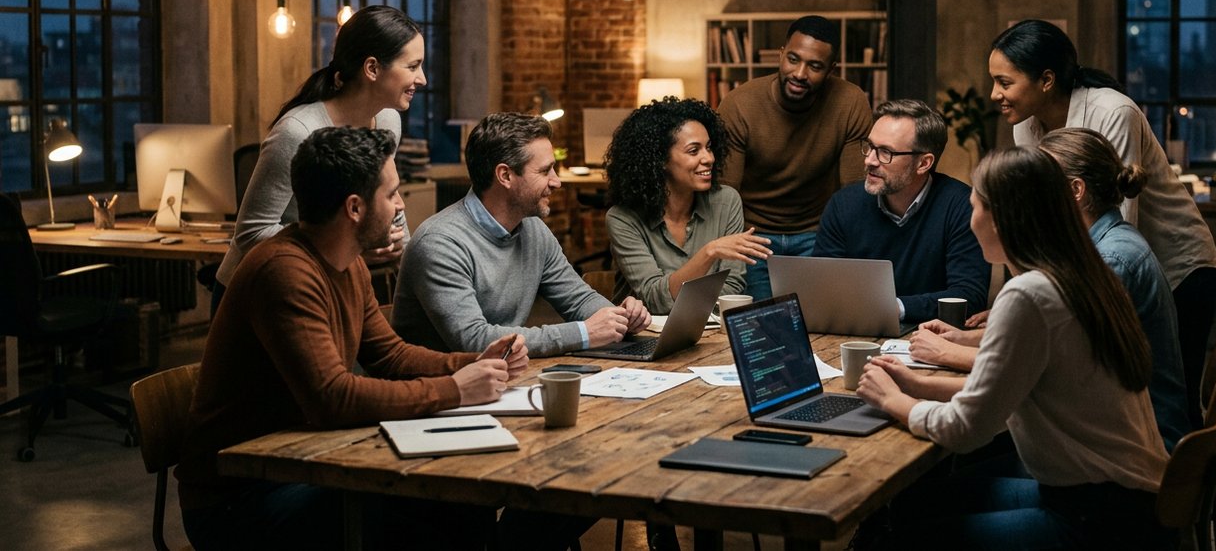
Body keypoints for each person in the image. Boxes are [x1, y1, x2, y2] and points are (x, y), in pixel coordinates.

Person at [177, 127, 528, 550]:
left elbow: (390, 355)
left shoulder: (348, 262)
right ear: (355, 207)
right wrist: (454, 390)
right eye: (393, 194)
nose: (400, 207)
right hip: (240, 496)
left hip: (305, 462)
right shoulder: (284, 271)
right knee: (435, 518)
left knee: (463, 504)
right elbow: (332, 399)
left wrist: (472, 362)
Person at [856, 147, 1172, 549]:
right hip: (1127, 498)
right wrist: (912, 382)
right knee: (910, 503)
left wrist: (891, 401)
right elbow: (1007, 391)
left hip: (1096, 518)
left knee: (897, 535)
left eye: (974, 208)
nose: (970, 223)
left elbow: (966, 429)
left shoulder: (1029, 294)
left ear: (1002, 217)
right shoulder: (1081, 272)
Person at [989, 19, 1216, 420]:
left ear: (1046, 79)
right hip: (1113, 266)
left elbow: (1116, 220)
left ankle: (1186, 481)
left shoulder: (1112, 110)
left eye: (1004, 83)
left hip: (1176, 267)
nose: (995, 94)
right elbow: (1048, 219)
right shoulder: (1026, 126)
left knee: (1166, 403)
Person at [912, 127, 1191, 450]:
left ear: (1075, 190)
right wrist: (966, 338)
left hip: (1138, 442)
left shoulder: (1111, 259)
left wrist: (948, 353)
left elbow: (1050, 364)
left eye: (1041, 182)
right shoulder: (1099, 245)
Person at [213, 5, 427, 311]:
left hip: (325, 284)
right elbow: (251, 233)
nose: (423, 79)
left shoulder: (388, 120)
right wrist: (346, 246)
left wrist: (416, 281)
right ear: (372, 69)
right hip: (256, 293)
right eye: (413, 66)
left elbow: (390, 201)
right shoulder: (297, 131)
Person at [393, 112, 651, 357]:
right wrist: (584, 333)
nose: (557, 181)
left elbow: (577, 298)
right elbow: (473, 340)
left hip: (504, 378)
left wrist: (618, 317)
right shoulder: (440, 243)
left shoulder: (533, 229)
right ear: (505, 175)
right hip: (438, 390)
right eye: (544, 171)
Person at [718, 15, 873, 298]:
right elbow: (725, 195)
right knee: (759, 327)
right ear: (781, 54)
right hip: (753, 237)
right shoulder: (739, 104)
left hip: (818, 234)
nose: (800, 73)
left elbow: (855, 191)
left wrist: (850, 257)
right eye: (793, 59)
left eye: (815, 66)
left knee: (821, 324)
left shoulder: (850, 102)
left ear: (831, 70)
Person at [812, 99, 989, 324]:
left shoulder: (963, 206)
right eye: (870, 147)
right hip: (856, 332)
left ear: (923, 163)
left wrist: (896, 307)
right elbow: (823, 289)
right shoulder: (843, 204)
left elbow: (968, 296)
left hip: (935, 336)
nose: (869, 160)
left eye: (886, 152)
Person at [604, 97, 771, 311]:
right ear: (660, 159)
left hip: (707, 332)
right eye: (694, 151)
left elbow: (732, 288)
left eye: (709, 148)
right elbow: (655, 299)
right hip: (642, 337)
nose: (709, 158)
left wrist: (680, 299)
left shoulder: (727, 201)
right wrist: (710, 252)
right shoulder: (622, 218)